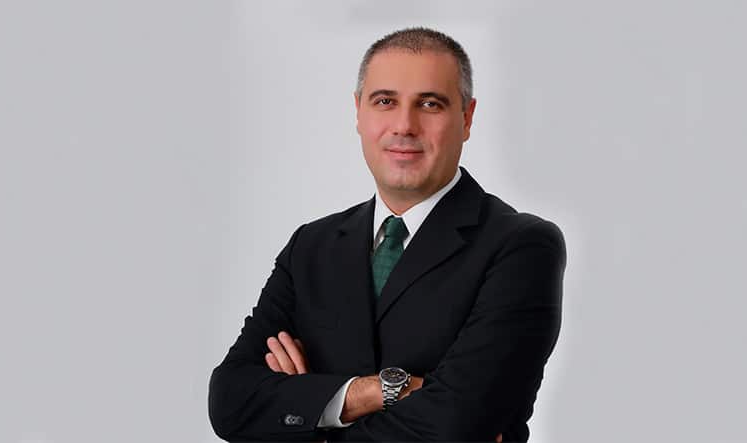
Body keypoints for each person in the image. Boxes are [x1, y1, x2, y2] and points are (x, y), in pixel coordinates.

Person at [208, 27, 566, 442]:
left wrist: (308, 410)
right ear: (358, 112)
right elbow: (230, 401)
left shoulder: (521, 247)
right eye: (385, 101)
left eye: (430, 104)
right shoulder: (311, 247)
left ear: (467, 118)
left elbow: (456, 424)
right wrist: (378, 391)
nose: (404, 125)